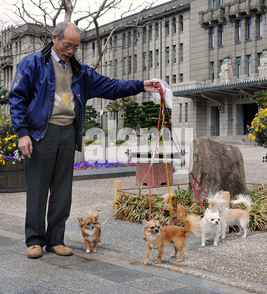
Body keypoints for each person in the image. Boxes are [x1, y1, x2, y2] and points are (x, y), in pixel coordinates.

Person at [9, 21, 161, 259]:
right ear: (54, 38)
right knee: (37, 189)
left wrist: (141, 85)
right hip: (41, 133)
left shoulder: (80, 72)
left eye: (75, 47)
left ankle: (55, 240)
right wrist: (23, 133)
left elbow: (110, 86)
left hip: (68, 132)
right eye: (67, 45)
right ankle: (35, 240)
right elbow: (16, 98)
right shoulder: (33, 63)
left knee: (62, 191)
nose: (70, 51)